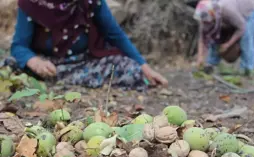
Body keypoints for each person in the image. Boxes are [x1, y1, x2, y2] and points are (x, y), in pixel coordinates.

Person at [9, 0, 168, 91]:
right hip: (49, 63)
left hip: (84, 62)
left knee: (131, 70)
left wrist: (144, 67)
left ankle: (60, 81)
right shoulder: (33, 3)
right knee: (11, 65)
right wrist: (34, 62)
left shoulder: (91, 2)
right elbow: (18, 46)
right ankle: (52, 79)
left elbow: (115, 34)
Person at [194, 0, 254, 76]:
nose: (206, 23)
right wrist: (200, 57)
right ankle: (211, 64)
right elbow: (202, 38)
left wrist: (228, 44)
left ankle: (247, 69)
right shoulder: (205, 16)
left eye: (208, 21)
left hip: (248, 10)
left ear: (213, 14)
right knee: (214, 35)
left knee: (245, 39)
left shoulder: (227, 11)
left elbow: (241, 28)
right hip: (230, 15)